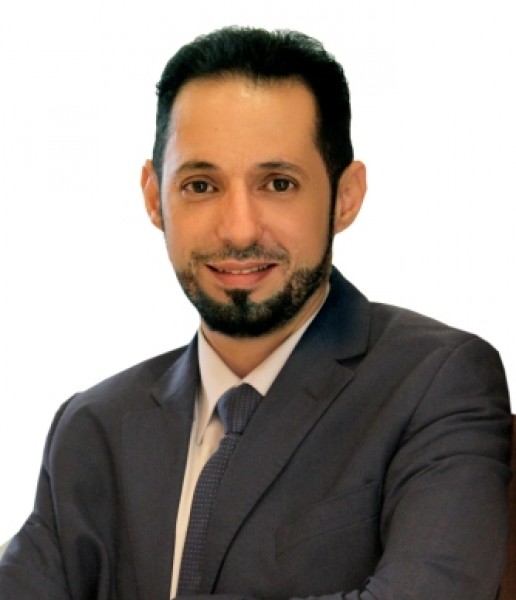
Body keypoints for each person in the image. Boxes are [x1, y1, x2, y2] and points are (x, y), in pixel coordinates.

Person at [0, 26, 511, 600]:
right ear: (153, 196)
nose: (239, 230)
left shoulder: (436, 382)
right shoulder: (93, 425)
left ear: (345, 196)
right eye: (201, 185)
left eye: (278, 183)